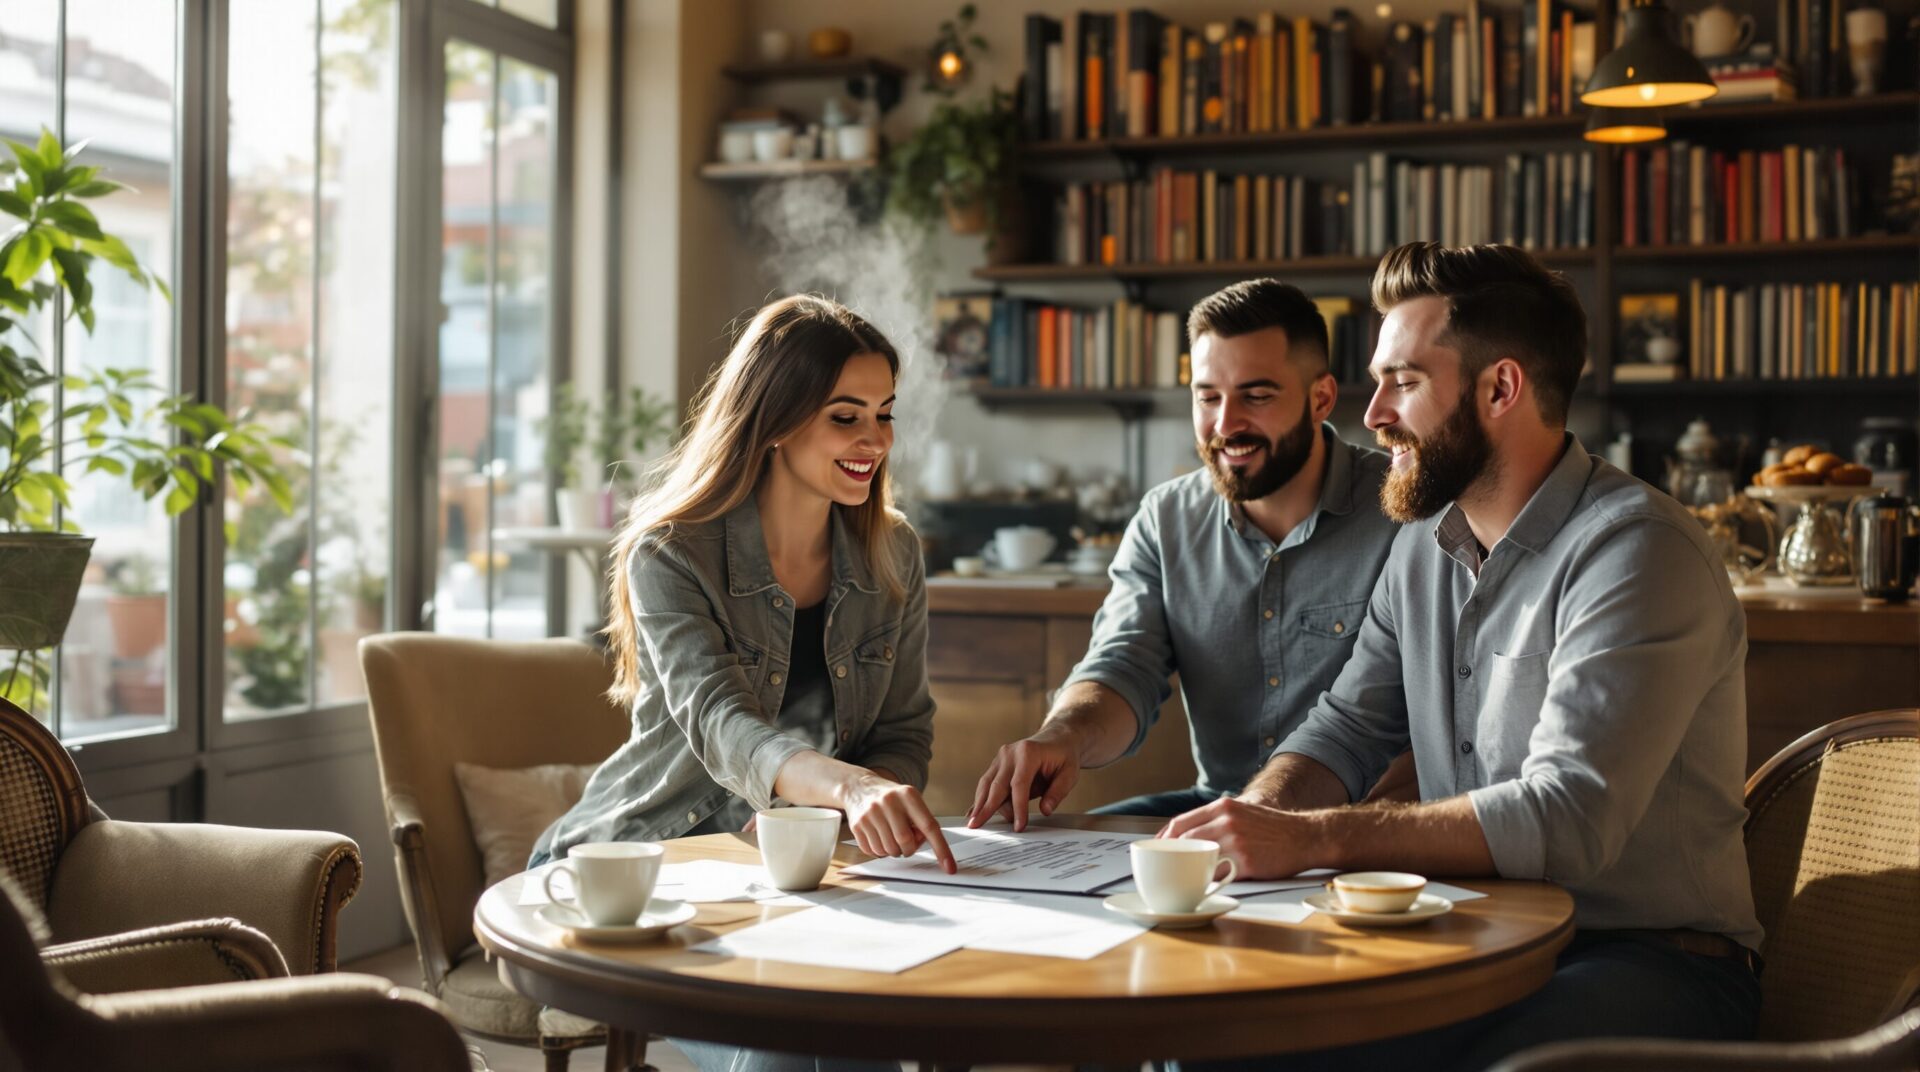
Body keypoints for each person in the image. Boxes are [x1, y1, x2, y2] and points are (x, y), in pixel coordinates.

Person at [1164, 243, 1762, 1071]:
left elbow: (1569, 816)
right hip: (1477, 935)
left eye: (1403, 382)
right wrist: (1258, 820)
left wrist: (1317, 840)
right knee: (1224, 1043)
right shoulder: (1422, 546)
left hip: (1651, 958)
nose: (1372, 414)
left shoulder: (1636, 552)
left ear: (1500, 388)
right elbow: (1345, 729)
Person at [532, 294, 955, 877]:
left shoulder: (893, 551)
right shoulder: (670, 552)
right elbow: (721, 721)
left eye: (884, 413)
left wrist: (843, 805)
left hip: (797, 863)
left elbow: (903, 732)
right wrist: (848, 789)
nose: (877, 440)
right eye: (845, 416)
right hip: (640, 858)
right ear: (777, 420)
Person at [968, 279, 1403, 830]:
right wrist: (1063, 736)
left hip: (1366, 820)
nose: (1225, 424)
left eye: (1257, 395)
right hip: (1218, 807)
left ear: (1321, 397)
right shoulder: (1164, 519)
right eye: (1207, 396)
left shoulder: (1401, 511)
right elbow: (1124, 664)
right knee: (1037, 853)